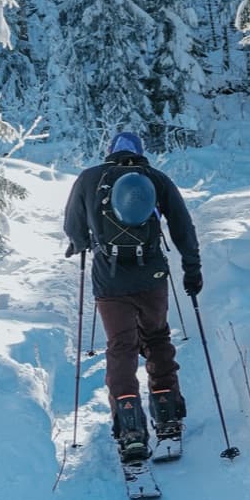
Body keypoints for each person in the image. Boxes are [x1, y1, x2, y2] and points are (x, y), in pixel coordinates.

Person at [64, 127, 202, 463]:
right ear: (141, 153)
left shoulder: (89, 179)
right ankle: (168, 416)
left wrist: (82, 244)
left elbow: (73, 227)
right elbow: (182, 225)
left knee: (121, 347)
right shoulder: (156, 178)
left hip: (109, 283)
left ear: (109, 152)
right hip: (152, 276)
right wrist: (191, 266)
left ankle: (130, 429)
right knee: (156, 339)